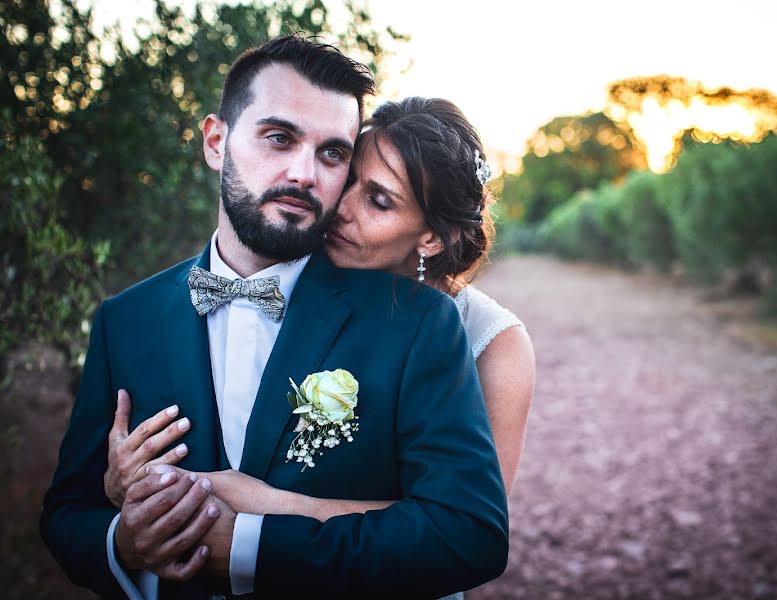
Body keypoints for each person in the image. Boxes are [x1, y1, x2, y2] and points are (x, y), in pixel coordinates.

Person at [40, 34, 509, 599]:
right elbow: (69, 513)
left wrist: (247, 547)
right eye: (279, 138)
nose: (306, 174)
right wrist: (123, 542)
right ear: (216, 141)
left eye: (333, 153)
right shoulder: (125, 320)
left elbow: (468, 534)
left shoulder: (417, 324)